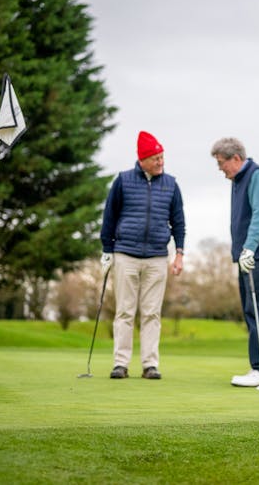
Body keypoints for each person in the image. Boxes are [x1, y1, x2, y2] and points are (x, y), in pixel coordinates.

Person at [100, 131, 185, 380]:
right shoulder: (123, 181)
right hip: (126, 254)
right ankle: (121, 364)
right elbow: (109, 217)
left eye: (162, 157)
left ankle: (150, 364)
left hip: (158, 256)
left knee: (151, 312)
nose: (161, 162)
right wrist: (106, 250)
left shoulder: (171, 184)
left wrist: (179, 253)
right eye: (156, 158)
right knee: (125, 311)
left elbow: (178, 222)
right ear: (143, 159)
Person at [211, 137, 259, 388]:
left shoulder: (257, 176)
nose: (221, 169)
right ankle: (258, 367)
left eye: (222, 163)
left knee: (257, 311)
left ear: (236, 159)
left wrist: (250, 248)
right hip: (248, 256)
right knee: (250, 312)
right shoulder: (238, 180)